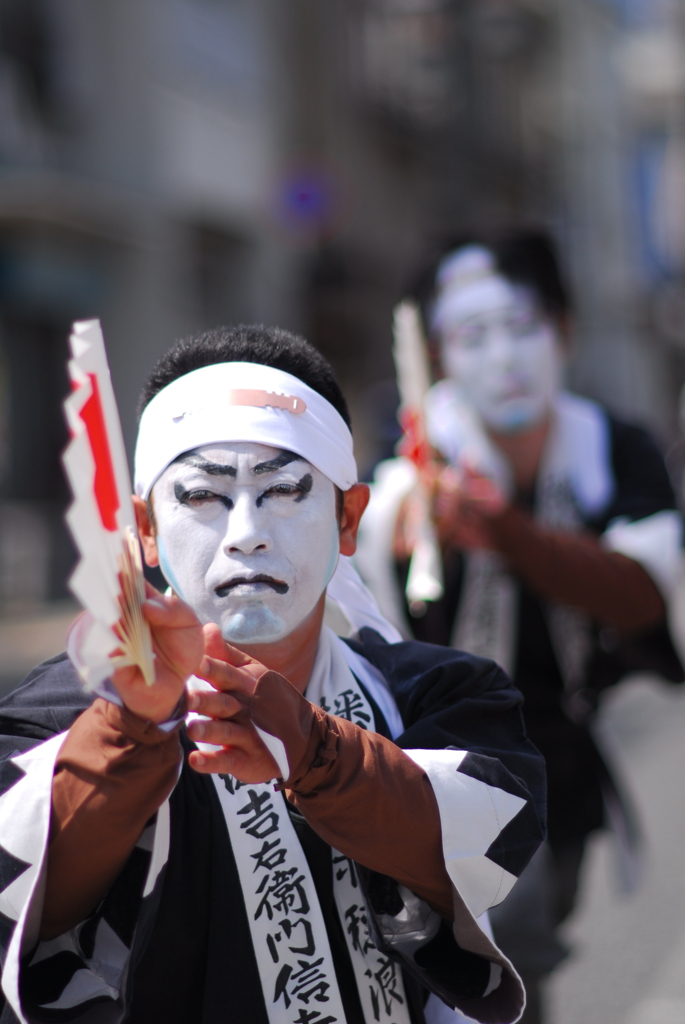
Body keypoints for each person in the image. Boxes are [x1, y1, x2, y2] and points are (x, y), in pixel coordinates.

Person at [0, 325, 546, 1024]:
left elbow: (494, 832)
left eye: (286, 490)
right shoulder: (59, 719)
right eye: (201, 497)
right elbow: (26, 891)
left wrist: (315, 751)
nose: (245, 532)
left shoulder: (432, 695)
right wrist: (129, 735)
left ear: (348, 519)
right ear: (144, 528)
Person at [355, 231, 685, 1023]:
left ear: (564, 332)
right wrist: (404, 535)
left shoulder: (612, 447)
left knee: (520, 965)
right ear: (435, 355)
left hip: (556, 768)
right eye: (471, 336)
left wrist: (503, 531)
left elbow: (643, 594)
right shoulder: (406, 472)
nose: (501, 357)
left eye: (522, 327)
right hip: (424, 771)